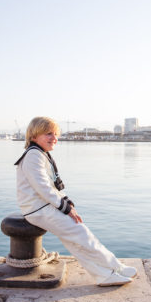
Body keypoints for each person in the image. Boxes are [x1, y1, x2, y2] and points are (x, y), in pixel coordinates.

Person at [15, 116, 137, 286]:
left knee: (75, 241)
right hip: (39, 208)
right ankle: (115, 267)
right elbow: (43, 188)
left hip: (42, 206)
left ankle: (104, 274)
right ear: (34, 136)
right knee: (83, 235)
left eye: (56, 134)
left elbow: (53, 186)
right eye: (48, 134)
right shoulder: (34, 155)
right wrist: (66, 208)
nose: (54, 138)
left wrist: (68, 203)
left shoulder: (40, 154)